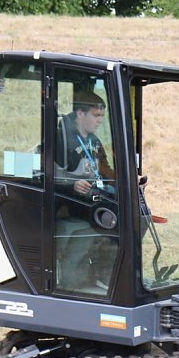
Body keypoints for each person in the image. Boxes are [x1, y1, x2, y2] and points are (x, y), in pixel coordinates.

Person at [54, 91, 118, 294]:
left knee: (134, 209)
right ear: (80, 114)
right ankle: (103, 275)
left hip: (91, 198)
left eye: (101, 117)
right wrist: (71, 186)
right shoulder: (61, 141)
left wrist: (129, 182)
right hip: (68, 202)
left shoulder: (94, 141)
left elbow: (107, 171)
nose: (99, 121)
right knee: (116, 216)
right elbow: (47, 177)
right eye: (96, 115)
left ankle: (110, 272)